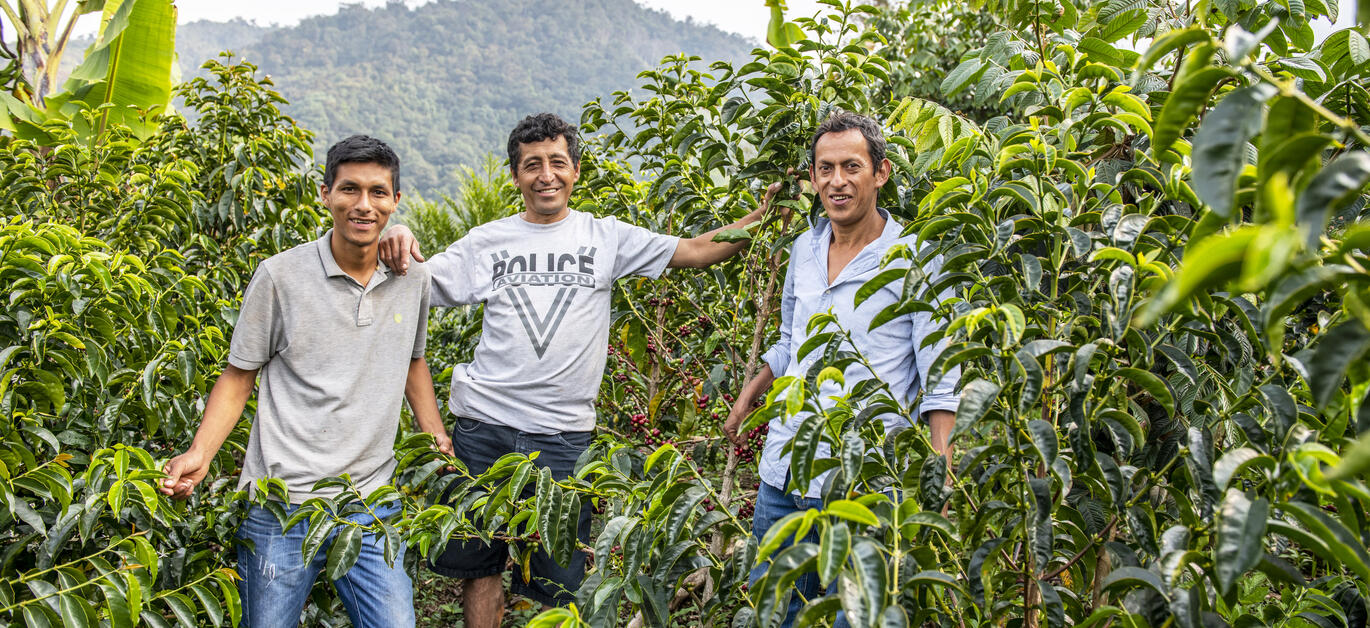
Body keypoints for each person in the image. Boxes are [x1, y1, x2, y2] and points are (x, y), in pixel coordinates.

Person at [378, 112, 781, 627]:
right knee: (481, 568)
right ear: (515, 175)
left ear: (575, 170)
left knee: (560, 581)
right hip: (484, 429)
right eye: (532, 165)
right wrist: (399, 237)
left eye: (557, 162)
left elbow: (699, 250)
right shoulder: (488, 240)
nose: (546, 174)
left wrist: (764, 216)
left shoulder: (605, 236)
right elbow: (418, 281)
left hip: (565, 437)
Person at [160, 135, 450, 628]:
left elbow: (412, 361)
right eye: (349, 190)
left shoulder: (412, 278)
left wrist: (435, 436)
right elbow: (239, 376)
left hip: (372, 503)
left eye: (379, 193)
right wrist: (200, 456)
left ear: (396, 201)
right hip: (280, 506)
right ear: (325, 194)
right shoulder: (280, 277)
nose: (364, 205)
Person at [723, 111, 961, 628]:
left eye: (851, 167)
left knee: (858, 619)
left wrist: (940, 477)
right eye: (824, 169)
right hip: (784, 477)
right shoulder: (804, 251)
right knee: (776, 614)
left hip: (867, 485)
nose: (837, 181)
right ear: (812, 179)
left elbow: (941, 380)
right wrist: (751, 393)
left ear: (881, 173)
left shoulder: (914, 260)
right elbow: (791, 341)